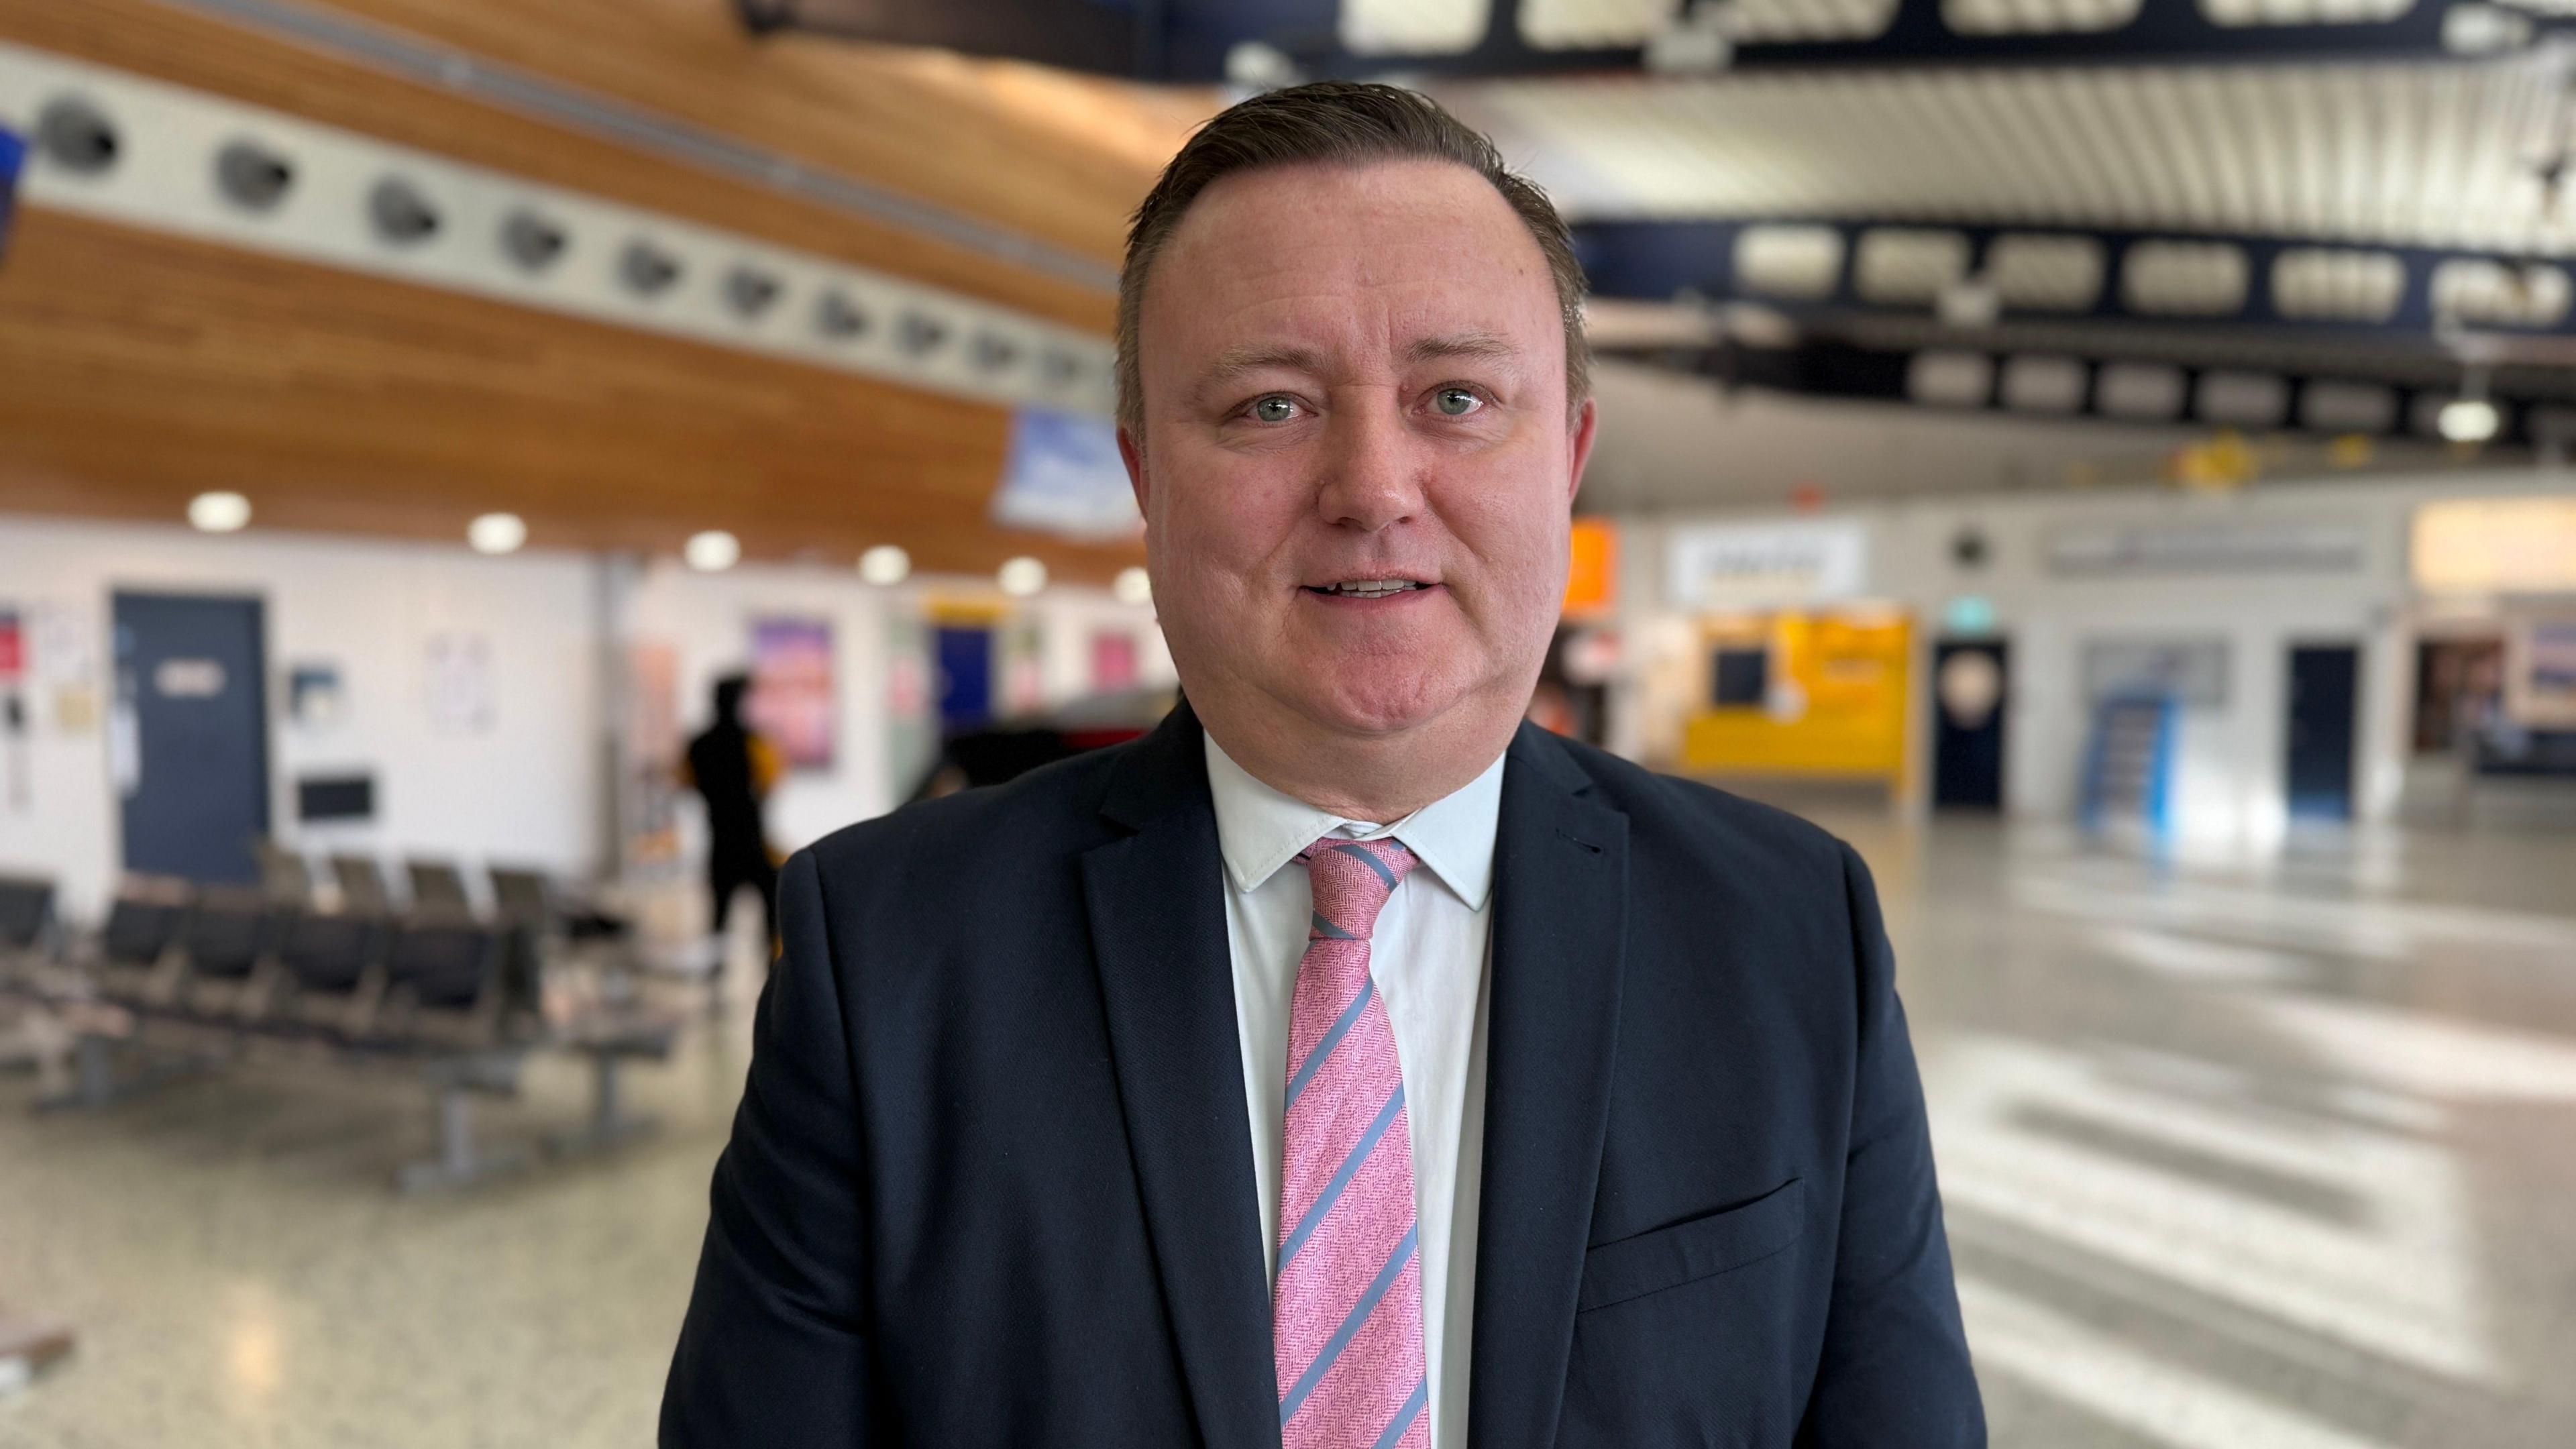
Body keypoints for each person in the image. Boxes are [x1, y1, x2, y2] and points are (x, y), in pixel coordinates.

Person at [662, 83, 1982, 1448]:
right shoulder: (885, 956)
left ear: (1570, 459)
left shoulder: (1789, 928)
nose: (1373, 486)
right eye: (1269, 406)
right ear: (1145, 479)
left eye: (1458, 397)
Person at [680, 674, 782, 968]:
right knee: (771, 911)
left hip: (719, 841)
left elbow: (686, 783)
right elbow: (771, 782)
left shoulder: (698, 745)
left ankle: (715, 978)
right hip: (753, 842)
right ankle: (772, 972)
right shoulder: (755, 743)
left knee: (719, 917)